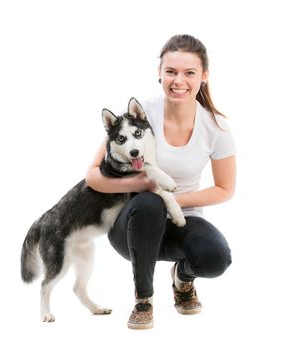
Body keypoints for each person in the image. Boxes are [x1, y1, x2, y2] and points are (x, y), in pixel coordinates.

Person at [85, 34, 236, 330]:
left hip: (181, 220)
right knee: (149, 202)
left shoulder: (216, 128)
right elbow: (92, 176)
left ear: (204, 76)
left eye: (189, 72)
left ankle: (183, 280)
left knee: (216, 258)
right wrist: (142, 187)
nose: (179, 81)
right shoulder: (141, 115)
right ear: (160, 73)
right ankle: (144, 300)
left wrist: (172, 199)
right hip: (131, 225)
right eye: (171, 71)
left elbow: (225, 189)